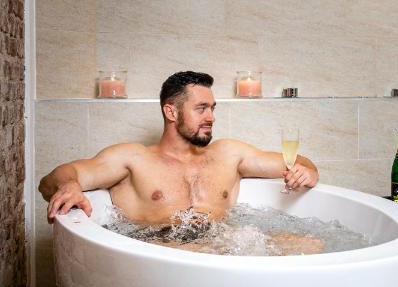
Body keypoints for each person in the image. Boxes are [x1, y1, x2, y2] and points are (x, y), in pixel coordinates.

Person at [39, 71, 320, 246]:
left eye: (212, 108)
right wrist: (69, 185)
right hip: (160, 253)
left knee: (310, 245)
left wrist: (308, 171)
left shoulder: (228, 154)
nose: (211, 117)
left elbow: (297, 162)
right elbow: (54, 178)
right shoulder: (133, 159)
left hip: (226, 245)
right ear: (171, 112)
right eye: (201, 108)